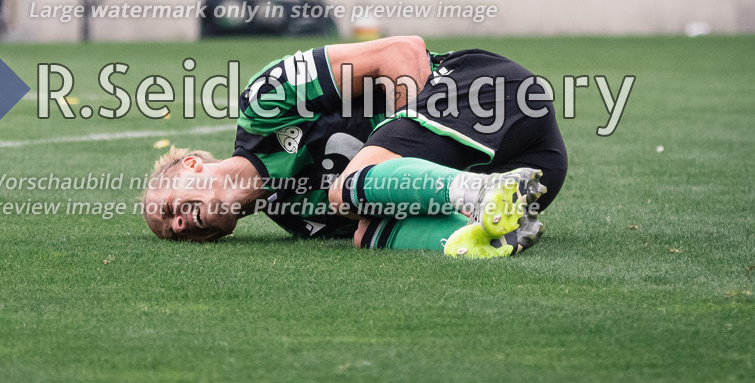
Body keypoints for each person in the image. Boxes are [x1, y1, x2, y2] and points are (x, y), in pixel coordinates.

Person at [142, 35, 567, 259]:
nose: (177, 227)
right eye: (173, 236)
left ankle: (482, 196)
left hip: (484, 91)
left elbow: (403, 51)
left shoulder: (265, 103)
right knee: (366, 234)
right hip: (535, 164)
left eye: (166, 211)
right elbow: (374, 221)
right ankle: (491, 236)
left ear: (192, 165)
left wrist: (404, 134)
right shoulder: (299, 221)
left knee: (345, 190)